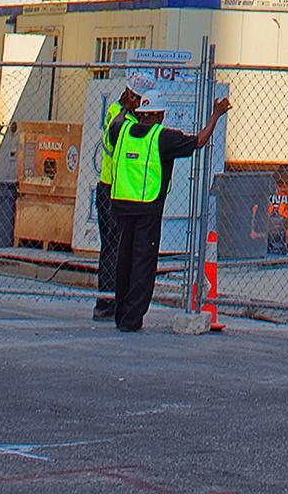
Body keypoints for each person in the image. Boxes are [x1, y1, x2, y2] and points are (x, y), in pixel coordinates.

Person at [91, 84, 228, 331]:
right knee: (142, 265)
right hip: (147, 209)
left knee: (123, 261)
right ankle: (131, 320)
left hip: (121, 206)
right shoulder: (162, 137)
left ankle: (121, 315)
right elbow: (199, 141)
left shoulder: (122, 130)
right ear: (157, 115)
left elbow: (114, 126)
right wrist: (216, 115)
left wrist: (125, 106)